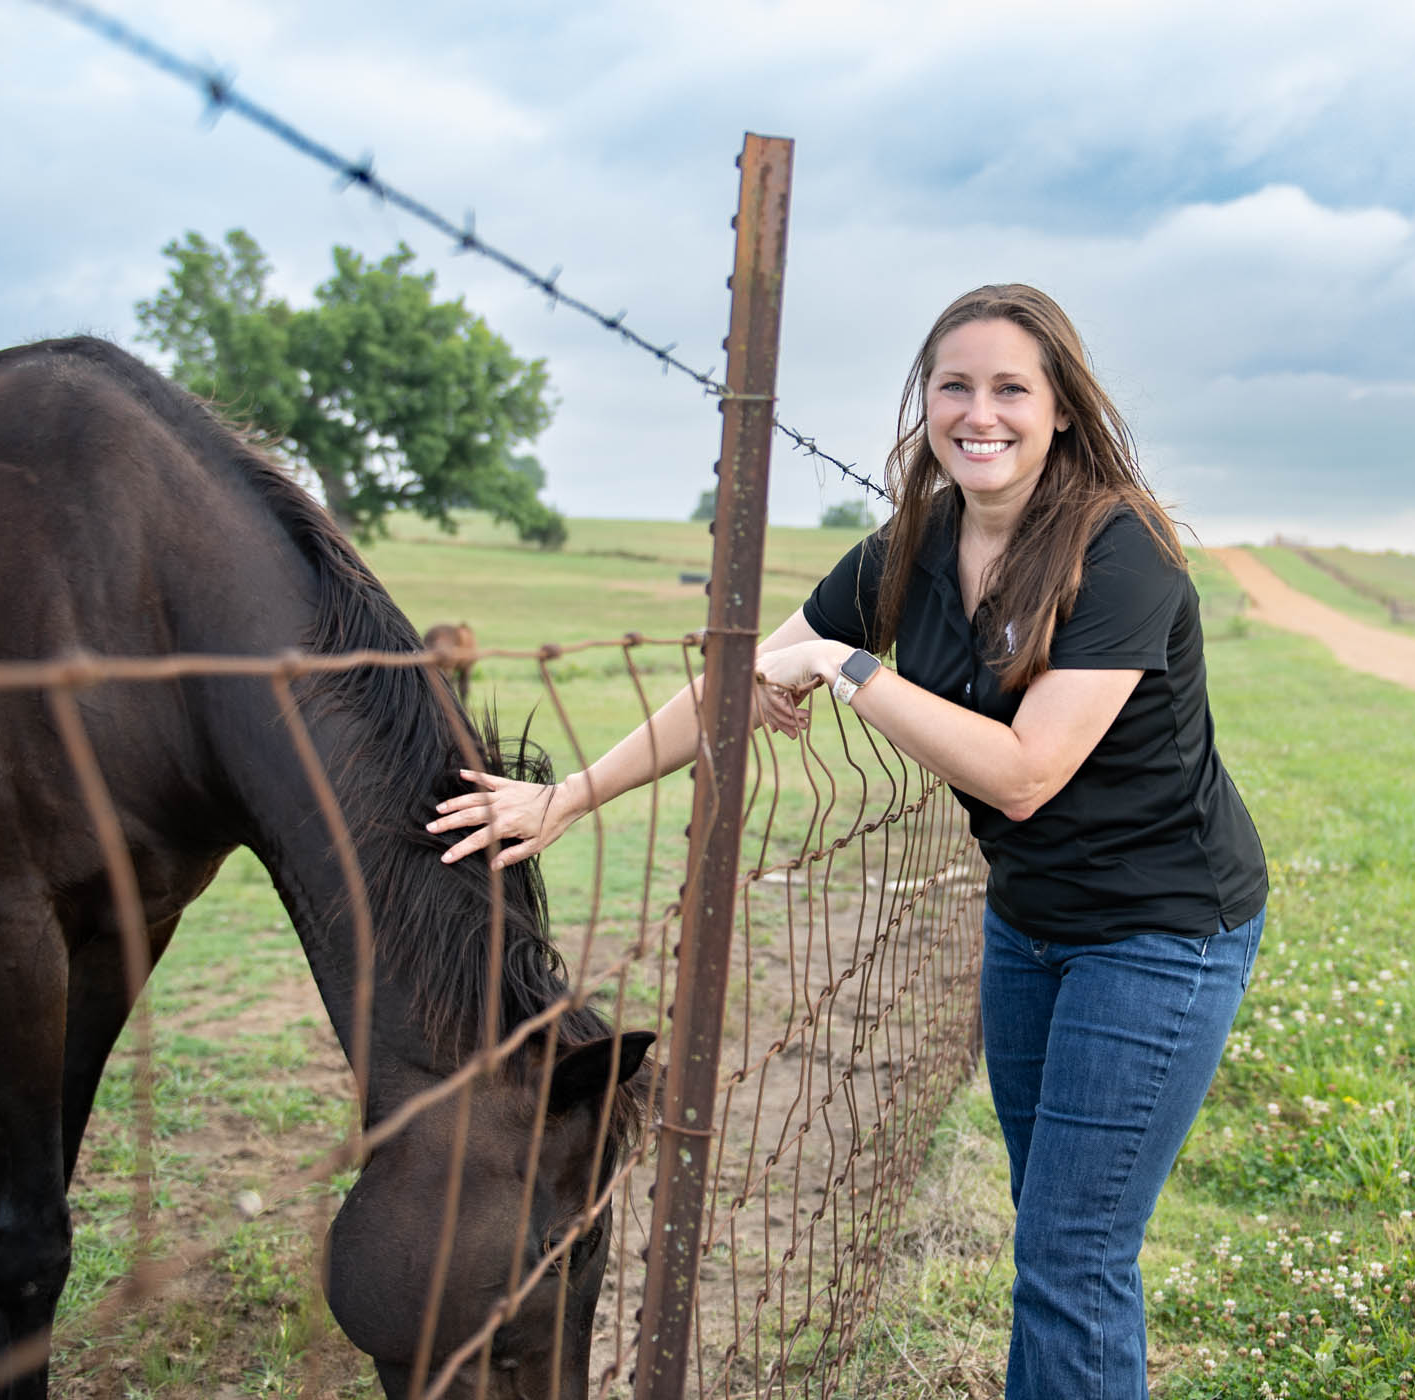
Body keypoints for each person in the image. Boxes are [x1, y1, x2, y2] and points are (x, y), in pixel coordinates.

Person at [429, 283, 1266, 1399]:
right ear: (925, 405)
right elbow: (737, 679)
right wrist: (570, 795)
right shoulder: (909, 550)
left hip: (1163, 932)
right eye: (953, 386)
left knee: (1073, 1253)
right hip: (1030, 924)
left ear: (1060, 407)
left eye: (1011, 387)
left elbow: (1023, 774)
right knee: (1058, 1232)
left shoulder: (1119, 557)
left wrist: (849, 667)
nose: (981, 413)